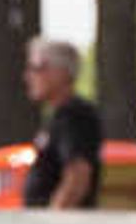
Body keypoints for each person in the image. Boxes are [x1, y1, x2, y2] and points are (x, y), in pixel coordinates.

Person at [21, 38, 106, 211]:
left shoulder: (74, 114)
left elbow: (78, 174)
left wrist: (54, 221)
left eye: (37, 68)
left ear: (61, 72)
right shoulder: (59, 117)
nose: (28, 76)